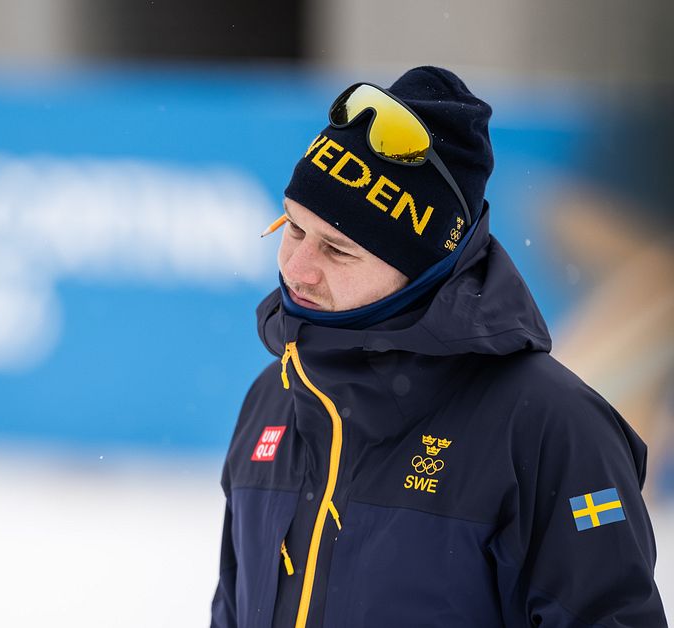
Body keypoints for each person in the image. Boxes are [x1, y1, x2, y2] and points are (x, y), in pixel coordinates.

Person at [210, 67, 666, 627]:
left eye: (338, 249)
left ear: (423, 266)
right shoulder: (275, 397)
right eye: (294, 228)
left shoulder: (550, 427)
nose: (296, 268)